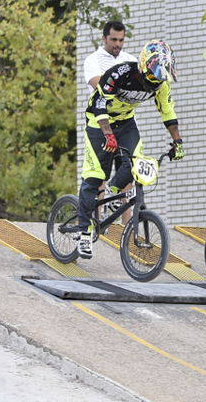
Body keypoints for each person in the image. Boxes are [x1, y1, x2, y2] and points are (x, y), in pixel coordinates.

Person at [72, 41, 184, 257]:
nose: (155, 82)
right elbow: (99, 104)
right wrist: (107, 134)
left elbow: (167, 111)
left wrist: (177, 142)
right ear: (142, 67)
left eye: (159, 78)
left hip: (125, 123)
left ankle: (113, 191)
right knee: (94, 176)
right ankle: (84, 231)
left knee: (136, 164)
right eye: (152, 77)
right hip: (99, 122)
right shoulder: (119, 73)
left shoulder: (161, 84)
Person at [83, 21, 136, 90]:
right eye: (114, 40)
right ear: (104, 39)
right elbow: (101, 89)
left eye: (121, 40)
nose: (118, 44)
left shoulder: (131, 60)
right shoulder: (92, 60)